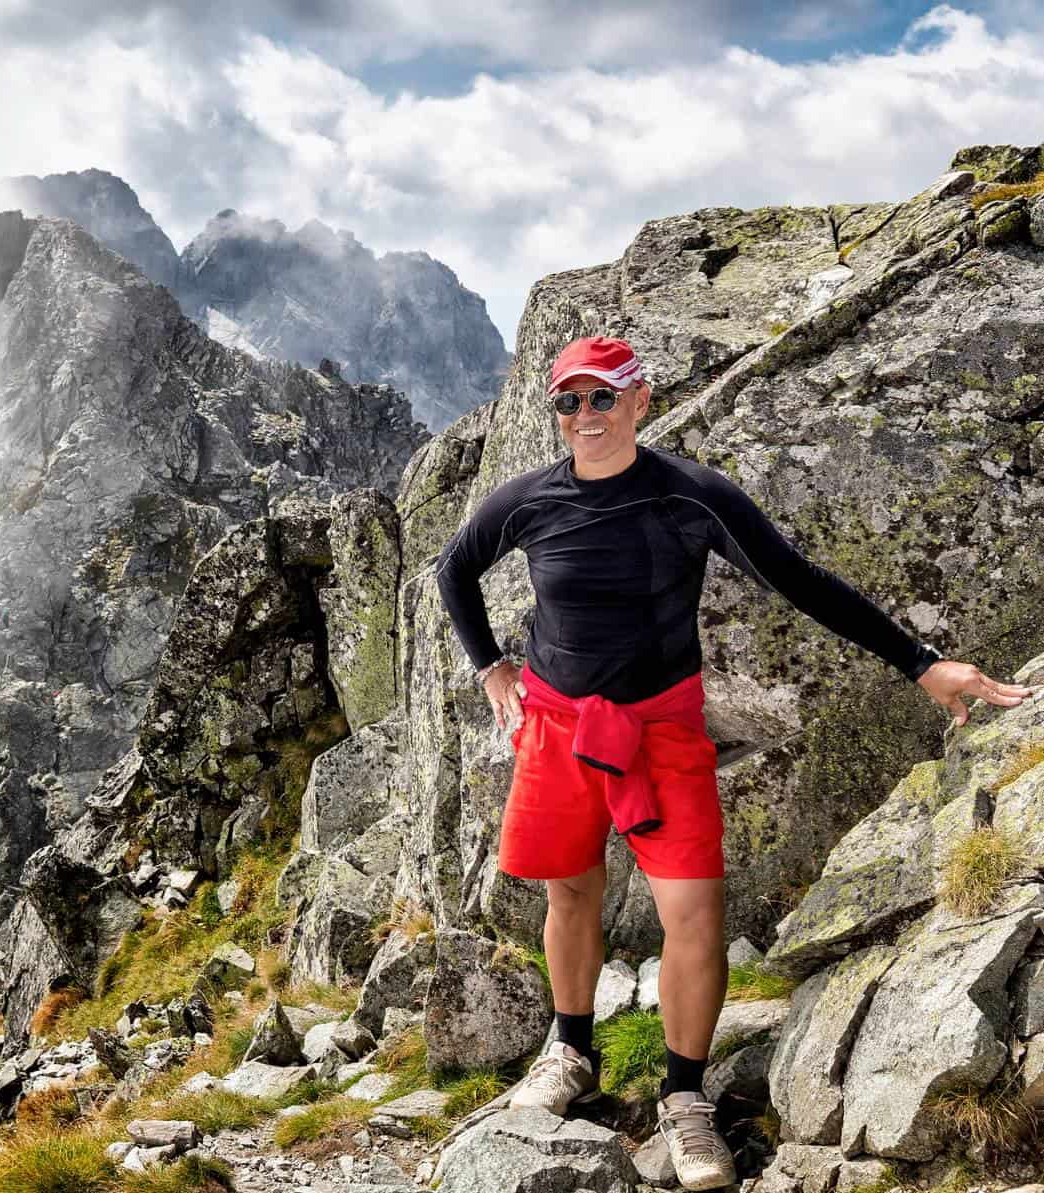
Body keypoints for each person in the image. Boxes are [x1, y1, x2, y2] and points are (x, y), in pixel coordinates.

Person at [433, 335, 1036, 1190]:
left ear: (639, 401)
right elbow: (453, 568)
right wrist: (489, 665)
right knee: (569, 890)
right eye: (567, 403)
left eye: (601, 398)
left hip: (660, 730)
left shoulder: (691, 496)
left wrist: (919, 660)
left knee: (694, 913)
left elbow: (800, 579)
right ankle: (569, 1050)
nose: (584, 418)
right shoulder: (524, 501)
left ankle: (684, 1099)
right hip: (557, 727)